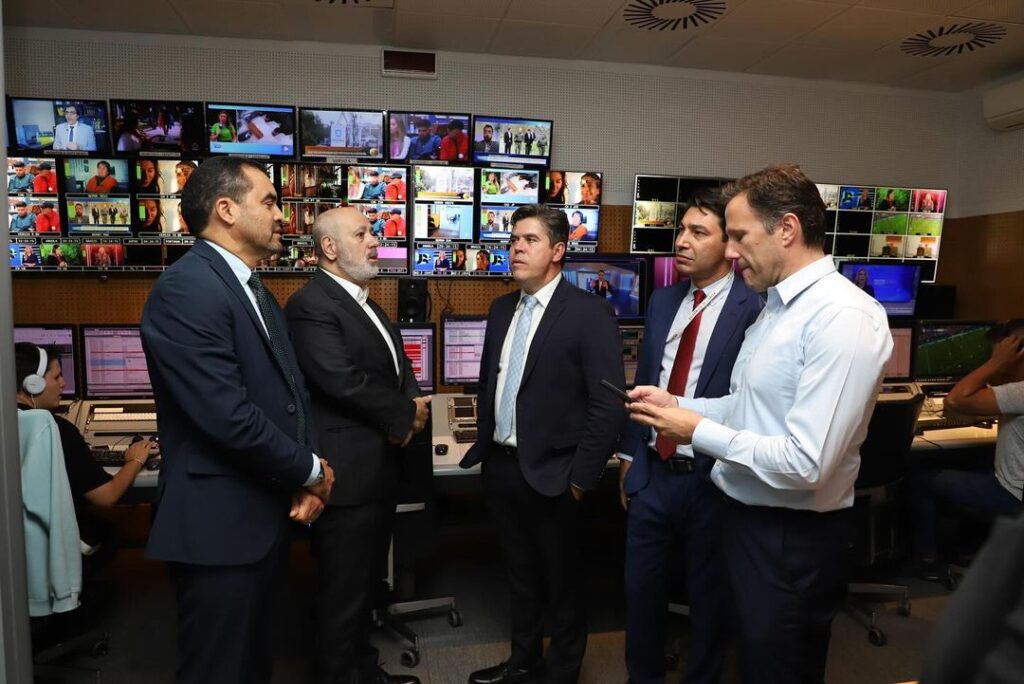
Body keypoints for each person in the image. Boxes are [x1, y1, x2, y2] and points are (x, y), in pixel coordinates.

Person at [628, 163, 892, 684]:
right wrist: (677, 403)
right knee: (748, 662)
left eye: (740, 236)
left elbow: (806, 462)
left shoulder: (843, 318)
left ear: (786, 229)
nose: (730, 252)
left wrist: (695, 431)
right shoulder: (775, 310)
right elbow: (747, 407)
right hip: (745, 522)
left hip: (790, 539)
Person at [140, 156, 335, 683]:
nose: (281, 214)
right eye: (269, 201)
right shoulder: (187, 289)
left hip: (259, 517)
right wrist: (309, 470)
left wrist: (304, 475)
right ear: (226, 210)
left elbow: (290, 394)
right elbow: (227, 416)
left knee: (250, 665)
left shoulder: (251, 289)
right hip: (219, 529)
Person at [462, 204, 625, 684]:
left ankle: (562, 672)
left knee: (563, 582)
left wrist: (580, 479)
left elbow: (607, 404)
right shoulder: (501, 309)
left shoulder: (588, 313)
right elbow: (489, 383)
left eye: (529, 240)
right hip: (503, 468)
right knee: (519, 575)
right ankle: (522, 661)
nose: (516, 248)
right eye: (513, 240)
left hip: (557, 476)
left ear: (557, 250)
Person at [619, 187, 762, 684]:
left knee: (709, 600)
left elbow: (748, 402)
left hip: (711, 479)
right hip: (652, 473)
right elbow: (646, 380)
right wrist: (629, 455)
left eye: (698, 232)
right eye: (681, 230)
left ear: (729, 244)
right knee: (640, 595)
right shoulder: (663, 301)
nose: (681, 241)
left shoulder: (754, 308)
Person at [286, 207, 428, 684]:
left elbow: (398, 368)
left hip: (378, 471)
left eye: (374, 232)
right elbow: (342, 381)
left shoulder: (364, 301)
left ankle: (363, 670)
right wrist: (406, 414)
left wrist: (411, 404)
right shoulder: (311, 305)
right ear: (329, 247)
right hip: (346, 479)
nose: (375, 241)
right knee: (343, 595)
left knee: (365, 587)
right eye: (363, 233)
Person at [15, 342, 155, 576]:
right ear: (32, 384)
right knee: (105, 529)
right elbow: (106, 497)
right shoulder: (56, 429)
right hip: (52, 541)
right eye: (57, 377)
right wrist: (135, 460)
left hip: (15, 538)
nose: (63, 383)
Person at [908, 320, 1024, 581]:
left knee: (920, 478)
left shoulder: (1019, 392)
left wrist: (995, 364)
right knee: (971, 460)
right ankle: (966, 547)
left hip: (1012, 494)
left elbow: (955, 400)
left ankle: (928, 563)